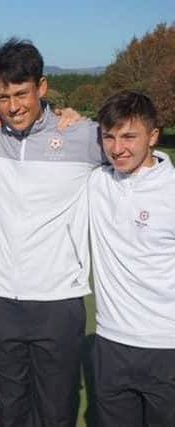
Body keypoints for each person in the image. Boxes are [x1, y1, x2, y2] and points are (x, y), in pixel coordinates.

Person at [0, 38, 103, 426]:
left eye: (21, 93)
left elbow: (137, 153)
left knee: (55, 410)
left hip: (58, 301)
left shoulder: (84, 135)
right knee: (8, 409)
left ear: (42, 87)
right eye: (2, 97)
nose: (13, 106)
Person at [89, 90, 175, 427]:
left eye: (129, 136)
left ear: (153, 136)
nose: (117, 148)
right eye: (108, 136)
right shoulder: (97, 181)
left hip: (167, 347)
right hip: (111, 343)